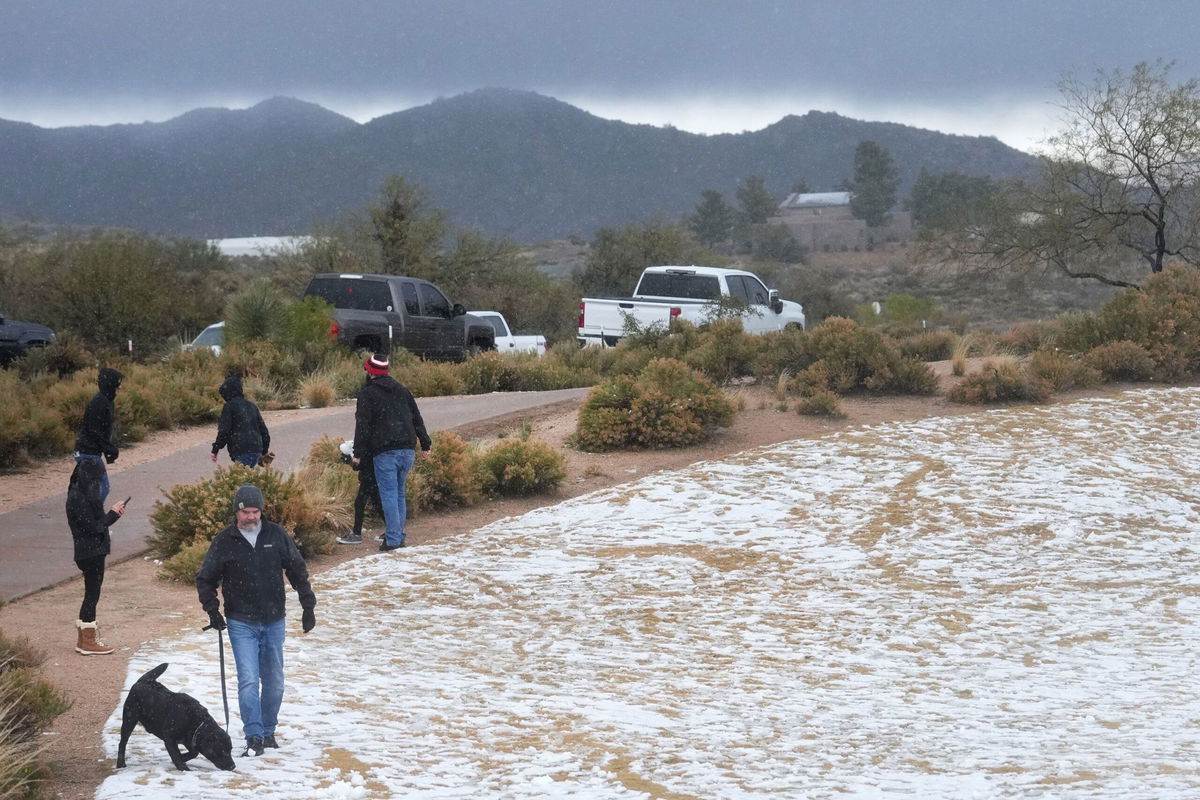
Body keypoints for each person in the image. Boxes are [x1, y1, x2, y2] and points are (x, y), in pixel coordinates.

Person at [195, 484, 316, 757]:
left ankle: (268, 731)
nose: (251, 517)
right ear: (236, 512)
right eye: (246, 512)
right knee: (249, 680)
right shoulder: (225, 541)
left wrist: (308, 605)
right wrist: (212, 609)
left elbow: (297, 569)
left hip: (274, 620)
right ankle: (254, 736)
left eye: (255, 511)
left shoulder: (276, 535)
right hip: (241, 622)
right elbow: (205, 578)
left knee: (275, 681)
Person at [352, 353, 431, 551]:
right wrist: (426, 443)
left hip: (385, 450)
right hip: (407, 448)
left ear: (370, 371)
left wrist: (358, 453)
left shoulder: (367, 394)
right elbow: (416, 418)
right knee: (399, 495)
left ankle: (394, 539)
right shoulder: (403, 390)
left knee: (388, 494)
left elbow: (363, 425)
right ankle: (398, 534)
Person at [66, 458, 127, 655]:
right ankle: (87, 641)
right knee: (92, 594)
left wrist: (113, 515)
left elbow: (95, 524)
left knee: (92, 593)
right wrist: (112, 515)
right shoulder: (79, 498)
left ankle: (86, 638)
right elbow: (93, 527)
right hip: (90, 551)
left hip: (91, 550)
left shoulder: (80, 493)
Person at [74, 366, 123, 503]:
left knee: (94, 489)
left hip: (91, 452)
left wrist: (109, 447)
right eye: (117, 386)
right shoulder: (99, 402)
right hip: (87, 452)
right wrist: (108, 448)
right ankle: (91, 517)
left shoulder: (106, 402)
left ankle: (90, 515)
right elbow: (93, 430)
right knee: (101, 488)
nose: (119, 389)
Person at [211, 374, 270, 468]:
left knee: (244, 480)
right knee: (249, 477)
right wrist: (264, 451)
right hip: (256, 449)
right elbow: (264, 431)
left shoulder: (229, 407)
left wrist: (215, 449)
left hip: (241, 450)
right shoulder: (252, 406)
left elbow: (224, 431)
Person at [335, 440, 382, 545]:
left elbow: (360, 465)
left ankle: (356, 534)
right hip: (373, 475)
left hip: (368, 477)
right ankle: (393, 529)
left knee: (360, 503)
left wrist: (351, 462)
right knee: (377, 502)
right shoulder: (370, 441)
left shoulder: (363, 444)